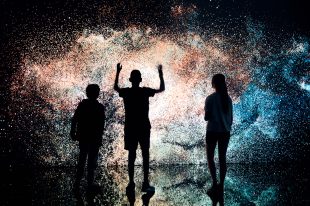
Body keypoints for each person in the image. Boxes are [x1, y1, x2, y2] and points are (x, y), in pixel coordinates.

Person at [114, 63, 165, 192]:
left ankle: (131, 183)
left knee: (132, 155)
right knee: (145, 154)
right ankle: (145, 183)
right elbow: (161, 89)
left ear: (130, 80)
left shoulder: (126, 92)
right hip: (143, 126)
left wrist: (118, 72)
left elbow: (116, 87)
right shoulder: (144, 91)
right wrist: (160, 74)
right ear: (140, 80)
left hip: (130, 127)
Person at [70, 84, 105, 193]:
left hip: (84, 136)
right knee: (91, 162)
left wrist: (73, 131)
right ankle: (89, 185)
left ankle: (77, 184)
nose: (98, 92)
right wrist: (100, 138)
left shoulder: (83, 104)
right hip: (94, 137)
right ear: (96, 93)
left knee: (82, 160)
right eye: (97, 91)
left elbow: (75, 119)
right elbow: (101, 125)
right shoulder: (99, 107)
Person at [204, 74, 233, 205]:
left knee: (210, 157)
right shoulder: (228, 98)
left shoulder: (210, 98)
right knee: (222, 158)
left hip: (212, 131)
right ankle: (221, 185)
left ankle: (214, 183)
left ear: (213, 84)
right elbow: (230, 119)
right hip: (225, 132)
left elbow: (206, 117)